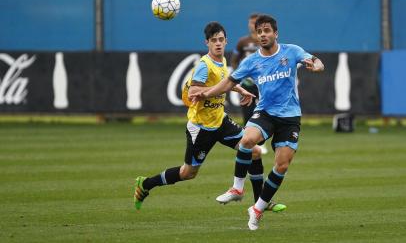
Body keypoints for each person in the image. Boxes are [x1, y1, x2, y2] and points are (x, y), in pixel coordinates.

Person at [190, 14, 324, 230]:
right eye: (259, 31)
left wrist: (317, 66)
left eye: (267, 31)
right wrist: (205, 94)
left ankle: (258, 208)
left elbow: (315, 60)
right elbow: (227, 83)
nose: (262, 35)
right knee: (247, 140)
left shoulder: (292, 51)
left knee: (282, 165)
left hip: (290, 117)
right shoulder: (251, 61)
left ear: (275, 34)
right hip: (265, 113)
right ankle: (237, 188)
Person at [134, 21, 285, 212]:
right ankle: (146, 184)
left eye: (221, 40)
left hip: (220, 121)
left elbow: (223, 82)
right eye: (214, 41)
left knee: (253, 151)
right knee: (187, 173)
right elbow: (194, 91)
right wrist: (214, 91)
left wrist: (239, 89)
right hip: (201, 127)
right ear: (207, 43)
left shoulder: (221, 61)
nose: (218, 44)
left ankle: (260, 204)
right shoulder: (204, 65)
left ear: (226, 40)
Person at [230, 13, 269, 154]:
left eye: (255, 22)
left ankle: (262, 140)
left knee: (265, 110)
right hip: (247, 82)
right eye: (250, 22)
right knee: (247, 112)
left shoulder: (265, 40)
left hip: (264, 81)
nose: (252, 25)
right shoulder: (243, 42)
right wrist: (239, 76)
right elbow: (234, 60)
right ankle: (251, 142)